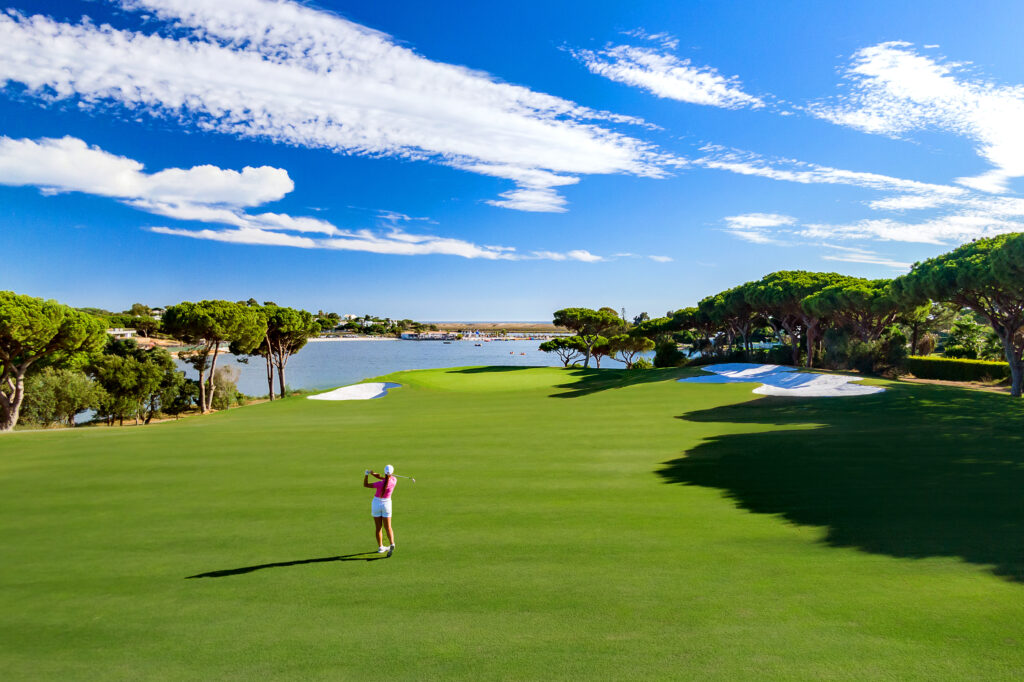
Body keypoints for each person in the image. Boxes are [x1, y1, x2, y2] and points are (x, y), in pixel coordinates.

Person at [364, 465, 397, 554]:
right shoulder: (394, 480)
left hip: (376, 504)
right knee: (388, 527)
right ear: (392, 473)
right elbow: (382, 477)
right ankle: (392, 543)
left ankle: (380, 547)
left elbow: (366, 485)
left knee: (378, 527)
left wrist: (367, 475)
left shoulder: (379, 483)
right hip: (387, 504)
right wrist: (373, 473)